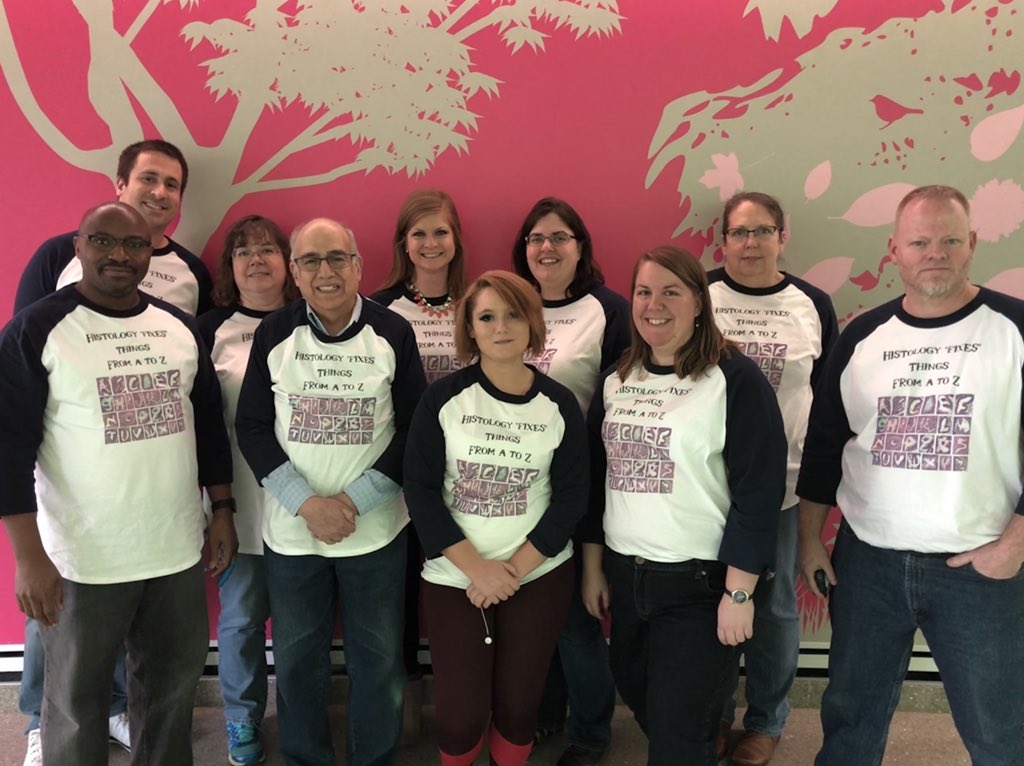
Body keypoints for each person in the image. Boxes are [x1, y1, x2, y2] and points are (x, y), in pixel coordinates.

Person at [0, 201, 236, 766]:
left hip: (174, 550)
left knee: (170, 697)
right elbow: (8, 447)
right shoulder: (37, 329)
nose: (119, 255)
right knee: (75, 707)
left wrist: (223, 510)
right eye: (103, 241)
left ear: (149, 252)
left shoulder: (178, 328)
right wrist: (28, 557)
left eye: (133, 244)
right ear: (79, 246)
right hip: (83, 560)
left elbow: (207, 425)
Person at [797, 185, 1024, 766]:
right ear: (894, 250)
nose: (935, 254)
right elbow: (824, 445)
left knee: (1001, 730)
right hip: (869, 564)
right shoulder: (862, 336)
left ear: (972, 243)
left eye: (950, 240)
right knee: (850, 716)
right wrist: (809, 539)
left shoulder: (1015, 327)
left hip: (980, 569)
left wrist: (1015, 544)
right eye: (920, 242)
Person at [581, 246, 786, 766]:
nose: (655, 305)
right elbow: (595, 481)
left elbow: (759, 492)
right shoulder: (617, 379)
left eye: (671, 292)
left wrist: (739, 593)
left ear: (699, 301)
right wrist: (593, 568)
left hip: (700, 585)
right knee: (646, 700)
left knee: (678, 735)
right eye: (644, 292)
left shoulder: (734, 380)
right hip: (627, 577)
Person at [235, 217, 426, 766]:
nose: (326, 271)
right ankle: (305, 758)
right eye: (311, 260)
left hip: (376, 533)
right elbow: (252, 426)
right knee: (297, 662)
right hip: (293, 535)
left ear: (358, 266)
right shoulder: (274, 334)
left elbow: (414, 430)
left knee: (379, 661)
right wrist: (307, 504)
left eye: (337, 257)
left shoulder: (392, 332)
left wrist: (350, 503)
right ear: (295, 273)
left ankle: (375, 758)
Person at [404, 270, 588, 766]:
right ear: (470, 327)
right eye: (486, 317)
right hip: (455, 578)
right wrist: (479, 570)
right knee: (460, 719)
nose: (501, 327)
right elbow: (420, 490)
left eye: (512, 314)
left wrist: (510, 572)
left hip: (538, 574)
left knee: (519, 709)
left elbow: (572, 498)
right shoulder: (442, 399)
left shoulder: (559, 405)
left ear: (532, 323)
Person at [708, 192, 838, 766]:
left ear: (783, 238)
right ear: (723, 241)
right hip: (706, 484)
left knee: (776, 607)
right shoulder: (699, 294)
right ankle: (711, 715)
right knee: (703, 604)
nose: (751, 243)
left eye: (763, 231)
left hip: (784, 486)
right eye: (739, 232)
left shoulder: (811, 304)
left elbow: (829, 401)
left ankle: (765, 721)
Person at [511, 197, 628, 765]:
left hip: (582, 484)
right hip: (515, 485)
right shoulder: (512, 304)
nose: (547, 247)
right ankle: (546, 712)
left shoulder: (609, 310)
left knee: (576, 621)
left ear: (580, 247)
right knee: (534, 613)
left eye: (559, 237)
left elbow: (624, 398)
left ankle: (591, 731)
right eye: (536, 238)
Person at [198, 215, 299, 765]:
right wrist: (218, 507)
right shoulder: (209, 329)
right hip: (237, 504)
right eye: (243, 252)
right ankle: (241, 720)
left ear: (288, 262)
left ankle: (302, 718)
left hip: (305, 506)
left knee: (302, 625)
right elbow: (201, 422)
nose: (256, 260)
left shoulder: (313, 320)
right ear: (230, 267)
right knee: (239, 622)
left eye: (267, 249)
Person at [372, 189, 469, 714]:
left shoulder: (480, 304)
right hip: (399, 473)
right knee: (399, 592)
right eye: (419, 233)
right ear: (403, 244)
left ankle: (466, 698)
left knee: (462, 583)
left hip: (469, 474)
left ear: (456, 240)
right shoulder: (378, 310)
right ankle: (403, 696)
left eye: (440, 232)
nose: (431, 243)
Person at [15, 139, 213, 316]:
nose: (160, 192)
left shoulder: (194, 274)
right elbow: (22, 338)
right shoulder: (59, 253)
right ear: (120, 185)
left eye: (171, 185)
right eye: (149, 178)